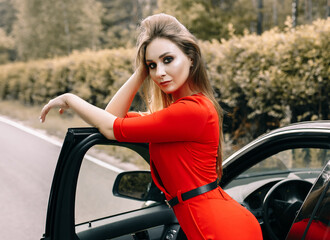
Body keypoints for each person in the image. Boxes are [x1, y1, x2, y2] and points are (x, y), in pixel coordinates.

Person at [40, 13, 262, 239]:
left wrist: (70, 99)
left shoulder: (192, 111)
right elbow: (112, 116)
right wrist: (141, 72)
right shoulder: (176, 114)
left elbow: (110, 127)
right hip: (214, 222)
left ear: (191, 58)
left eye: (168, 60)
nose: (160, 73)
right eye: (152, 65)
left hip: (219, 229)